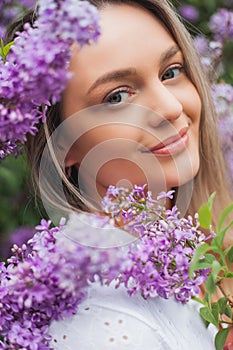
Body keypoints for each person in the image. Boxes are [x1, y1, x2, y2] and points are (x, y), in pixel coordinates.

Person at [6, 0, 233, 349]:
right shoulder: (105, 327)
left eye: (171, 72)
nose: (171, 108)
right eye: (117, 96)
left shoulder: (214, 243)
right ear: (63, 146)